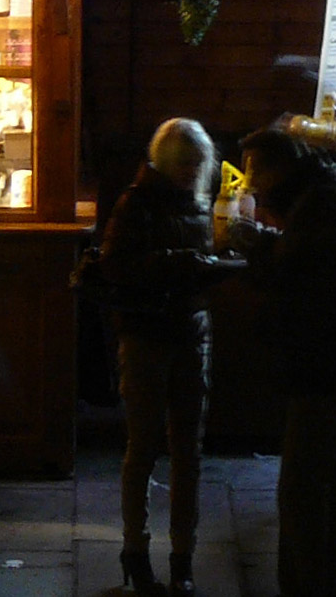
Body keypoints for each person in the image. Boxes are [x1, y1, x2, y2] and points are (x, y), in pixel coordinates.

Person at [238, 125, 336, 597]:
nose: (251, 187)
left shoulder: (322, 203)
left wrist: (252, 245)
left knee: (302, 488)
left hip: (331, 366)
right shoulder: (327, 187)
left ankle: (306, 587)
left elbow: (293, 275)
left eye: (254, 176)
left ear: (277, 169)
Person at [98, 120, 241, 597]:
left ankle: (182, 560)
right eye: (185, 164)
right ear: (164, 163)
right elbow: (115, 266)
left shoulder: (197, 202)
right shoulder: (136, 203)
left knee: (188, 453)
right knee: (144, 447)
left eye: (198, 164)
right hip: (147, 336)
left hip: (190, 332)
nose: (192, 172)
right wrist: (180, 263)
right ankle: (136, 552)